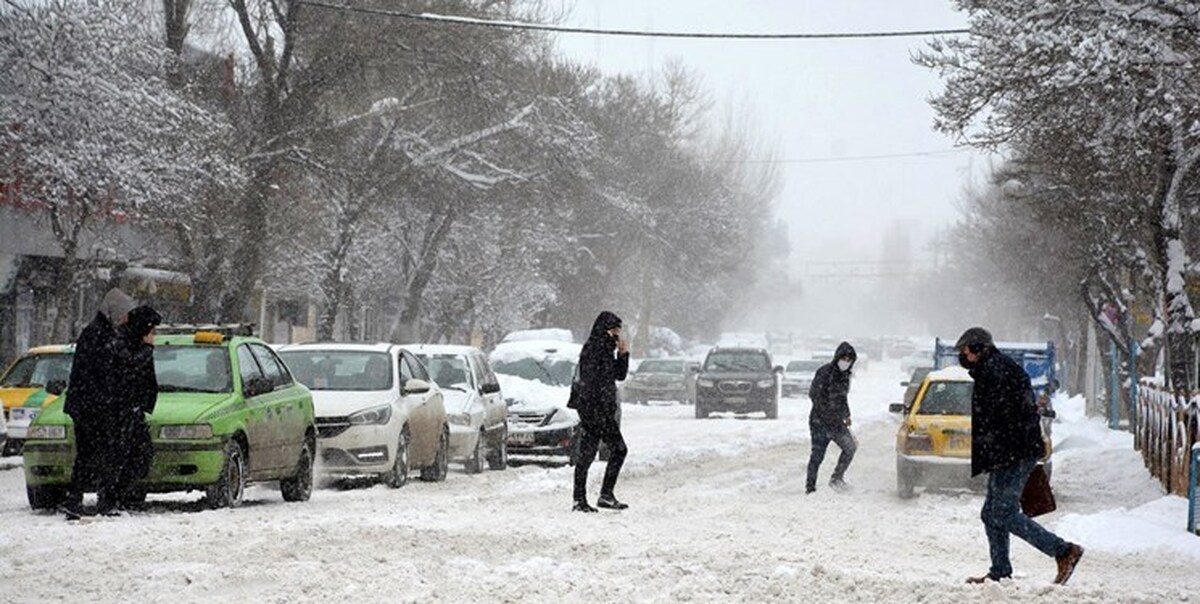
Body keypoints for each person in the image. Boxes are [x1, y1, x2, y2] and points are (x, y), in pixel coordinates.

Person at [956, 327, 1084, 585]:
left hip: (1013, 453)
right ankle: (1000, 571)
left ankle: (1063, 551)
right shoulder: (992, 368)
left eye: (966, 350)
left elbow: (1006, 417)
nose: (963, 355)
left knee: (1002, 513)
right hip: (1007, 452)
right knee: (990, 513)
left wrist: (1000, 451)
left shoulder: (996, 371)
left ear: (979, 348)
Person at [61, 288, 136, 519]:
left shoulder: (102, 333)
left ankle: (80, 500)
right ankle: (96, 501)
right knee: (101, 454)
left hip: (90, 406)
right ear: (114, 312)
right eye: (124, 314)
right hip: (92, 408)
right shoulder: (98, 335)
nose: (125, 319)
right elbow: (101, 375)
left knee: (91, 455)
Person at [572, 311, 630, 513]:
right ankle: (586, 498)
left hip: (601, 411)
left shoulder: (605, 348)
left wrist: (623, 355)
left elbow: (618, 375)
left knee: (598, 453)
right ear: (604, 329)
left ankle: (596, 497)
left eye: (618, 331)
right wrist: (596, 410)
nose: (617, 334)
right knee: (600, 452)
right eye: (614, 330)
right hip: (595, 410)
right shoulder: (593, 349)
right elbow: (593, 382)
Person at [111, 304, 161, 510]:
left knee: (140, 454)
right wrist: (147, 349)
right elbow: (128, 369)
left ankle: (126, 494)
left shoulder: (136, 343)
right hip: (121, 408)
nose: (153, 335)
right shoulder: (122, 342)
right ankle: (115, 497)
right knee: (122, 455)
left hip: (134, 408)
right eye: (152, 330)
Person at [806, 342, 858, 494]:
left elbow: (842, 398)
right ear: (837, 357)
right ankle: (810, 487)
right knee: (817, 454)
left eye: (849, 360)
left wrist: (846, 415)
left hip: (837, 423)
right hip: (819, 422)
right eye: (844, 358)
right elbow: (814, 395)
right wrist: (827, 414)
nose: (846, 362)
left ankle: (837, 479)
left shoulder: (845, 376)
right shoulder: (824, 373)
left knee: (850, 447)